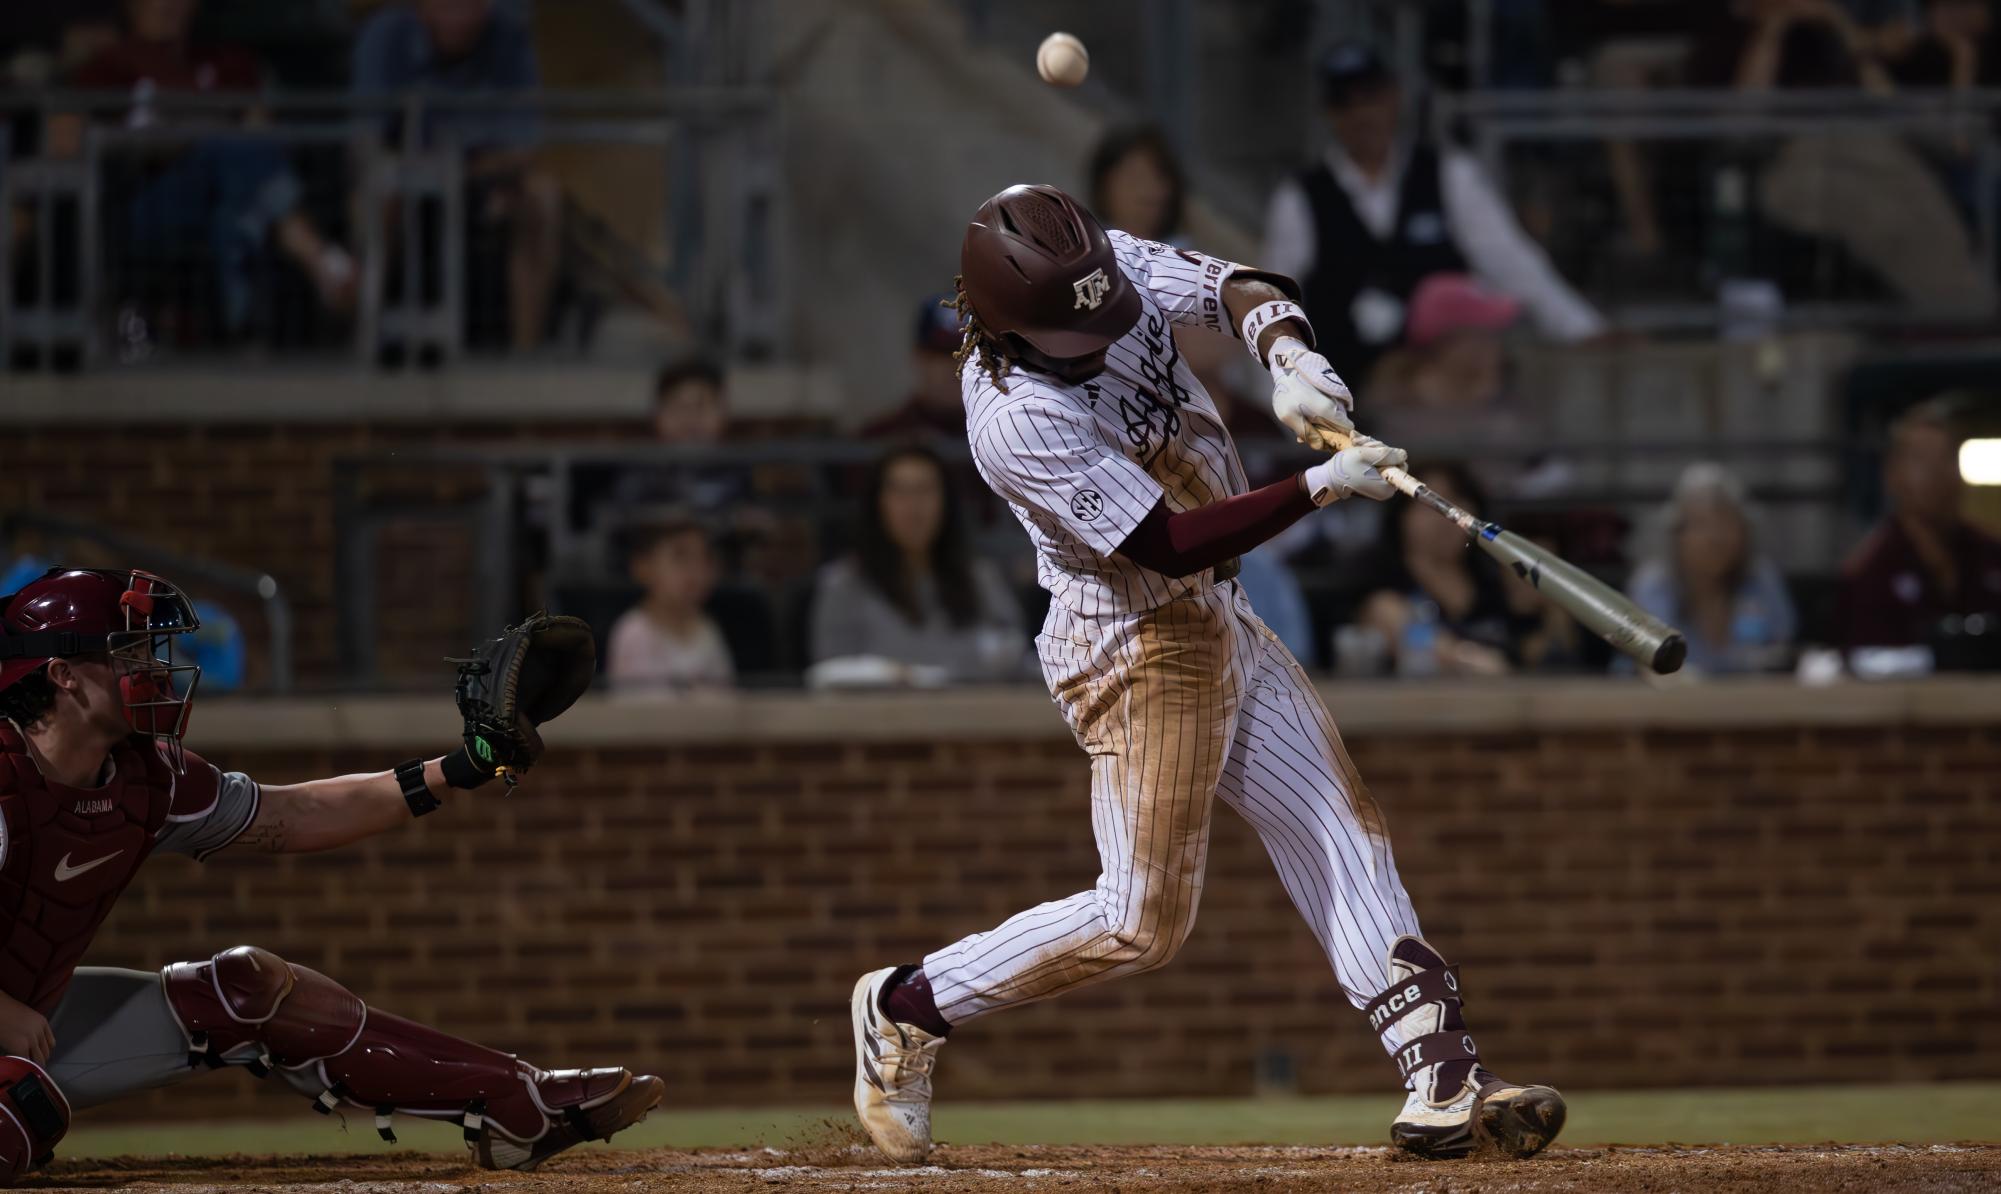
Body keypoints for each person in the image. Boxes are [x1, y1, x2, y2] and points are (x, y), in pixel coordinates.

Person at [849, 184, 1564, 1167]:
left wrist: (1292, 358)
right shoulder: (1016, 419)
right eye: (1074, 326)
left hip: (1218, 614)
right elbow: (1169, 542)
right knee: (1142, 923)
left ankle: (1442, 1072)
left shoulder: (1092, 268)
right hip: (1138, 648)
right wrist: (1316, 486)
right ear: (1011, 325)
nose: (1102, 330)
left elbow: (1244, 284)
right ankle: (906, 1005)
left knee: (1336, 823)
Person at [0, 568, 661, 1181]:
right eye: (128, 653)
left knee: (244, 988)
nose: (152, 668)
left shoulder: (147, 778)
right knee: (15, 1117)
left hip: (34, 1024)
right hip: (11, 1027)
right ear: (62, 674)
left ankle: (517, 1104)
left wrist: (463, 766)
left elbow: (297, 813)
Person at [1261, 42, 1604, 380]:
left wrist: (1581, 328)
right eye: (1345, 103)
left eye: (1371, 97)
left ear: (1394, 97)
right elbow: (1272, 307)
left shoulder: (1450, 176)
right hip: (1342, 389)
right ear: (1329, 113)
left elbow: (1509, 259)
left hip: (1443, 381)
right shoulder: (1299, 198)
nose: (1362, 114)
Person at [62, 0, 358, 338]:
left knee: (236, 209)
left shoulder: (227, 62)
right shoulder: (110, 63)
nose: (168, 7)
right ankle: (322, 261)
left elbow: (264, 134)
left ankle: (238, 334)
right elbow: (66, 140)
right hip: (145, 205)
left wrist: (192, 131)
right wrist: (176, 139)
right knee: (226, 148)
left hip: (225, 202)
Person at [352, 0, 559, 350]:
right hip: (401, 180)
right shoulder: (385, 35)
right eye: (448, 6)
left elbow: (526, 144)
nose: (460, 16)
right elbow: (363, 141)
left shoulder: (509, 33)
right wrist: (405, 168)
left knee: (543, 199)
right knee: (371, 202)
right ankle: (362, 339)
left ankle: (527, 358)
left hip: (477, 180)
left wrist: (469, 170)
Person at [810, 446, 1024, 685]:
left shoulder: (979, 576)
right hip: (875, 718)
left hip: (971, 713)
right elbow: (830, 671)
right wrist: (904, 675)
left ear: (946, 501)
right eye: (899, 492)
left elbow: (1012, 652)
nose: (913, 507)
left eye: (925, 490)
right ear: (877, 502)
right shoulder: (844, 583)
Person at [1840, 401, 2001, 650]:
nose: (1936, 473)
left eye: (1946, 459)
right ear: (1892, 474)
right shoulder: (1872, 571)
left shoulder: (1990, 554)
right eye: (1921, 461)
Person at [1354, 463, 1524, 677]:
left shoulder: (1498, 582)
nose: (1446, 516)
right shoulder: (1384, 595)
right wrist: (1470, 659)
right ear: (1401, 517)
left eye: (1455, 500)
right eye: (1428, 504)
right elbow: (1415, 643)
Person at [1627, 463, 1797, 674]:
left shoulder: (1762, 579)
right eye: (1700, 524)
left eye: (1725, 521)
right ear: (1678, 533)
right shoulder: (1654, 585)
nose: (1715, 537)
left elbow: (1781, 652)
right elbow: (1649, 663)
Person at [605, 518, 734, 693]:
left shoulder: (708, 629)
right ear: (643, 566)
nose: (695, 570)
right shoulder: (632, 632)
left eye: (704, 558)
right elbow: (637, 711)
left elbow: (727, 701)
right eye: (680, 557)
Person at [861, 297, 974, 442]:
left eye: (970, 355)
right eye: (943, 355)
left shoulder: (1006, 436)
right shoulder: (877, 440)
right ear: (919, 358)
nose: (957, 367)